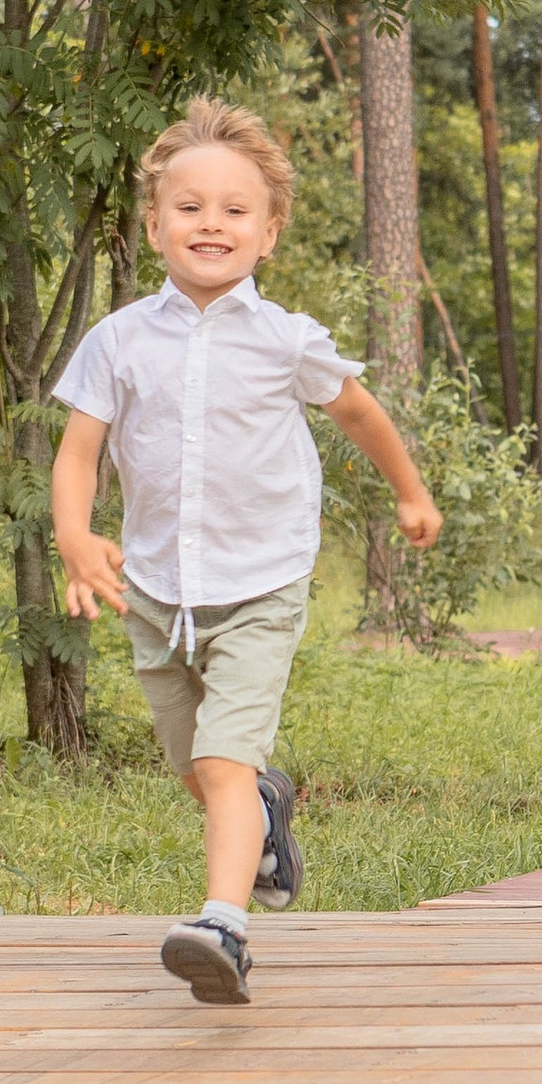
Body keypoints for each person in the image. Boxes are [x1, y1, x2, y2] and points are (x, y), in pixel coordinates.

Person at [51, 97, 442, 1004]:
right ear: (154, 225)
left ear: (269, 234)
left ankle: (224, 922)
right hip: (154, 589)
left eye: (235, 210)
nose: (211, 223)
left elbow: (356, 412)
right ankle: (265, 815)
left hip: (261, 583)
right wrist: (76, 536)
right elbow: (78, 451)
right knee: (197, 768)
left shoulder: (285, 339)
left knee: (223, 762)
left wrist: (410, 492)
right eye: (189, 207)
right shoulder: (118, 341)